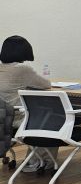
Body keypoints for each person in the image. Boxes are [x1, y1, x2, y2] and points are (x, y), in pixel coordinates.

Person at [0, 36, 56, 173]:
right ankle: (39, 162)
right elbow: (46, 84)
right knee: (51, 119)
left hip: (3, 117)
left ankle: (37, 160)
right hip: (17, 117)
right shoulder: (22, 69)